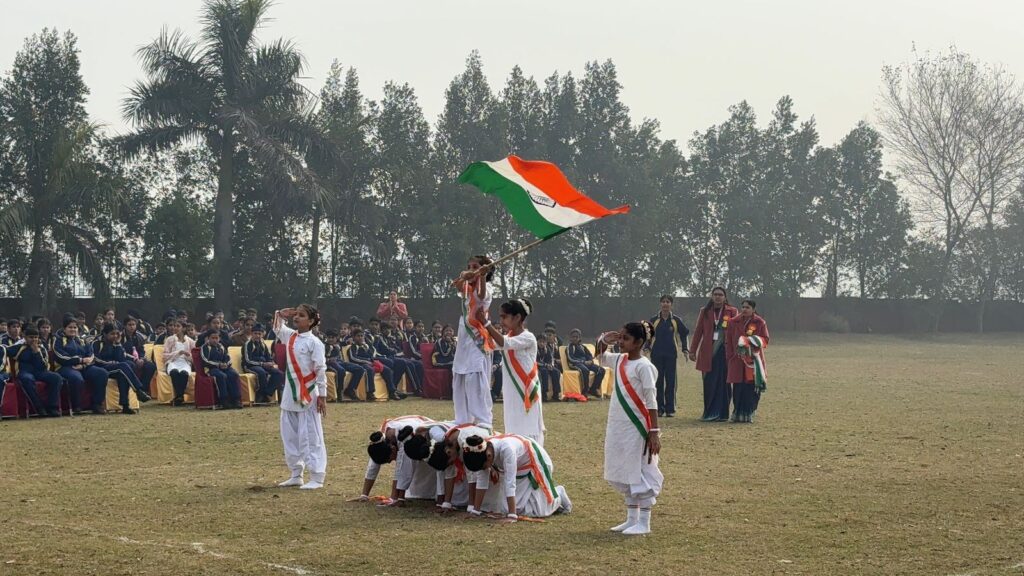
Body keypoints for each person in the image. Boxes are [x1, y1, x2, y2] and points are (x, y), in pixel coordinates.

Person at [595, 321, 663, 535]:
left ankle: (644, 522)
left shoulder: (644, 366)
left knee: (639, 468)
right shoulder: (619, 360)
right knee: (624, 467)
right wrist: (604, 340)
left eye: (626, 338)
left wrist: (654, 432)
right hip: (619, 425)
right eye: (620, 337)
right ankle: (631, 518)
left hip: (637, 426)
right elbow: (600, 357)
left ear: (639, 342)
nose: (621, 342)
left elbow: (651, 400)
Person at [273, 305, 329, 490]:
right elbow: (277, 328)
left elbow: (320, 369)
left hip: (308, 393)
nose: (296, 317)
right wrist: (280, 314)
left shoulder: (315, 343)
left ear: (311, 321)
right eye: (296, 314)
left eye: (302, 315)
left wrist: (322, 395)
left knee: (310, 435)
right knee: (290, 435)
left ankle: (317, 476)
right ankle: (296, 474)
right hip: (290, 393)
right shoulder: (290, 336)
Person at [476, 299, 546, 445]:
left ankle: (532, 454)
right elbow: (490, 344)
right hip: (511, 391)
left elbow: (504, 343)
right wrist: (477, 326)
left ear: (517, 317)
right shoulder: (507, 337)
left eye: (504, 317)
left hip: (526, 390)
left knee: (528, 429)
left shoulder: (528, 337)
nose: (501, 321)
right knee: (513, 426)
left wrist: (486, 323)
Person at [461, 434, 571, 520]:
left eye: (485, 467)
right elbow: (482, 480)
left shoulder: (507, 449)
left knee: (540, 511)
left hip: (536, 462)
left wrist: (512, 516)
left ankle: (559, 494)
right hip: (519, 467)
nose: (485, 469)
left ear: (489, 456)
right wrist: (475, 511)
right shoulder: (483, 452)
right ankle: (536, 501)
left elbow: (510, 482)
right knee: (507, 508)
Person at [451, 254, 496, 427]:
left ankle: (482, 419)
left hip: (478, 336)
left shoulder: (487, 288)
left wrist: (482, 276)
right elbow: (458, 285)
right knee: (460, 373)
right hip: (464, 334)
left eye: (475, 266)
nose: (471, 269)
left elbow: (481, 296)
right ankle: (463, 418)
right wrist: (465, 275)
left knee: (475, 376)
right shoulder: (467, 286)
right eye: (469, 266)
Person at [358, 415, 437, 505]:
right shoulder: (379, 439)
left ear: (393, 448)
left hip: (427, 450)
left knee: (421, 491)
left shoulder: (405, 438)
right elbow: (373, 465)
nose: (390, 462)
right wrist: (364, 495)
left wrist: (394, 498)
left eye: (390, 459)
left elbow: (403, 469)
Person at [690, 287, 738, 422]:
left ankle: (722, 414)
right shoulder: (705, 311)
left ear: (725, 297)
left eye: (720, 295)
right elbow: (698, 331)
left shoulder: (732, 311)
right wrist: (692, 350)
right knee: (709, 383)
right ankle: (709, 413)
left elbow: (736, 331)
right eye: (715, 294)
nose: (718, 297)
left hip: (725, 352)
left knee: (724, 383)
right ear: (711, 296)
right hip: (708, 353)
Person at [52, 318, 109, 415]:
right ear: (64, 329)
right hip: (65, 367)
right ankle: (77, 406)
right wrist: (79, 360)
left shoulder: (81, 340)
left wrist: (83, 365)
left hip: (83, 367)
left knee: (102, 373)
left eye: (75, 327)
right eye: (70, 327)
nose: (73, 329)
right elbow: (60, 356)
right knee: (77, 378)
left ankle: (97, 404)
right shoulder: (58, 340)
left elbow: (90, 355)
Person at [726, 300, 770, 424]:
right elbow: (728, 341)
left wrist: (753, 340)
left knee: (751, 388)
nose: (744, 309)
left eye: (748, 307)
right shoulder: (733, 322)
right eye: (743, 307)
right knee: (738, 388)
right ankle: (737, 413)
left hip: (753, 360)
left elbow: (765, 339)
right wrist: (730, 356)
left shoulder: (760, 322)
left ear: (753, 309)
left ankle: (749, 413)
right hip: (737, 360)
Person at [92, 323, 152, 413]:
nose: (115, 336)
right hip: (100, 368)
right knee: (123, 367)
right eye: (112, 334)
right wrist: (111, 363)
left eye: (117, 333)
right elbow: (95, 359)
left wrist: (118, 345)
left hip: (116, 368)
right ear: (105, 334)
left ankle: (125, 405)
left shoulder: (116, 343)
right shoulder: (97, 343)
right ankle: (139, 390)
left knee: (124, 373)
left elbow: (121, 358)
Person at [649, 295, 690, 418]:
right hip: (656, 355)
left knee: (671, 382)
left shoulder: (676, 320)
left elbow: (684, 334)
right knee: (658, 381)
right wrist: (646, 347)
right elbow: (648, 335)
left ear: (671, 304)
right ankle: (659, 409)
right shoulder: (654, 320)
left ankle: (670, 409)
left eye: (668, 302)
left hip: (671, 355)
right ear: (660, 304)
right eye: (663, 302)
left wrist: (685, 349)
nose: (665, 304)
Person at [14, 326, 64, 417]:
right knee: (27, 379)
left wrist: (36, 352)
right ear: (25, 337)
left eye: (36, 337)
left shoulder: (42, 348)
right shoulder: (19, 347)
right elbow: (4, 350)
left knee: (57, 378)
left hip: (40, 371)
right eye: (31, 337)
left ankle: (52, 407)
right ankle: (39, 407)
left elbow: (44, 366)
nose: (34, 340)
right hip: (25, 371)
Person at [348, 327, 401, 401]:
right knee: (370, 370)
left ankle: (392, 391)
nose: (360, 338)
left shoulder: (366, 346)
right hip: (360, 364)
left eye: (361, 336)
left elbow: (372, 354)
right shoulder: (353, 347)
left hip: (371, 362)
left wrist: (367, 349)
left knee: (387, 370)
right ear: (354, 337)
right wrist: (367, 361)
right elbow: (353, 358)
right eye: (358, 336)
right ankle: (370, 393)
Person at [199, 331, 243, 409]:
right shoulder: (204, 347)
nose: (215, 340)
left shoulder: (221, 346)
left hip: (223, 367)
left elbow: (228, 358)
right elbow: (205, 360)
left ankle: (236, 399)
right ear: (208, 338)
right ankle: (224, 400)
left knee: (233, 374)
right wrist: (218, 365)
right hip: (211, 368)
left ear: (219, 338)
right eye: (212, 338)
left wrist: (226, 364)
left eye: (216, 338)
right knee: (221, 376)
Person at [244, 324, 283, 404]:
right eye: (255, 333)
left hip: (263, 365)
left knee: (279, 373)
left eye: (259, 334)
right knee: (262, 372)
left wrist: (270, 362)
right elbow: (247, 360)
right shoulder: (248, 344)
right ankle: (260, 395)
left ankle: (267, 393)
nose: (257, 336)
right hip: (250, 366)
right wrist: (262, 364)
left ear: (262, 334)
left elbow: (268, 356)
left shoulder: (262, 344)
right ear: (252, 333)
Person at [162, 319, 194, 406]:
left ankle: (178, 397)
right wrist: (178, 353)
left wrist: (188, 355)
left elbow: (194, 357)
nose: (175, 328)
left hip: (185, 363)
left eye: (178, 326)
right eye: (174, 326)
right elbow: (164, 356)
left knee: (184, 373)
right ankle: (180, 396)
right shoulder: (169, 340)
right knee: (174, 372)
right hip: (173, 362)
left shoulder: (190, 341)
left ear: (183, 328)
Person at [123, 317, 157, 394]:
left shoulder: (138, 336)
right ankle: (134, 389)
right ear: (125, 326)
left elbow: (141, 350)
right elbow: (122, 351)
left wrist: (141, 359)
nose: (132, 327)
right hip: (126, 359)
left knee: (151, 366)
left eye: (133, 325)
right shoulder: (121, 336)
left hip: (138, 359)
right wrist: (135, 360)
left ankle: (143, 389)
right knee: (131, 365)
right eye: (129, 325)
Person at [567, 328, 605, 398]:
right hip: (575, 364)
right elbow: (570, 358)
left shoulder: (582, 347)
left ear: (579, 338)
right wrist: (583, 362)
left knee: (601, 370)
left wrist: (590, 361)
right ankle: (585, 391)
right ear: (570, 338)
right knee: (585, 370)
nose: (575, 338)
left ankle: (593, 389)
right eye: (573, 337)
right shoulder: (570, 347)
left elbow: (589, 355)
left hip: (585, 363)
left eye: (576, 337)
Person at [537, 332, 562, 402]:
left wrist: (550, 365)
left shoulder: (547, 348)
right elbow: (535, 361)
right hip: (538, 366)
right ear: (537, 342)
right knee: (544, 371)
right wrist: (546, 365)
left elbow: (550, 359)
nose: (542, 344)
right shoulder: (535, 349)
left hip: (546, 366)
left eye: (543, 342)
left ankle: (556, 394)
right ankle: (544, 394)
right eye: (540, 342)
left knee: (556, 371)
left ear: (546, 342)